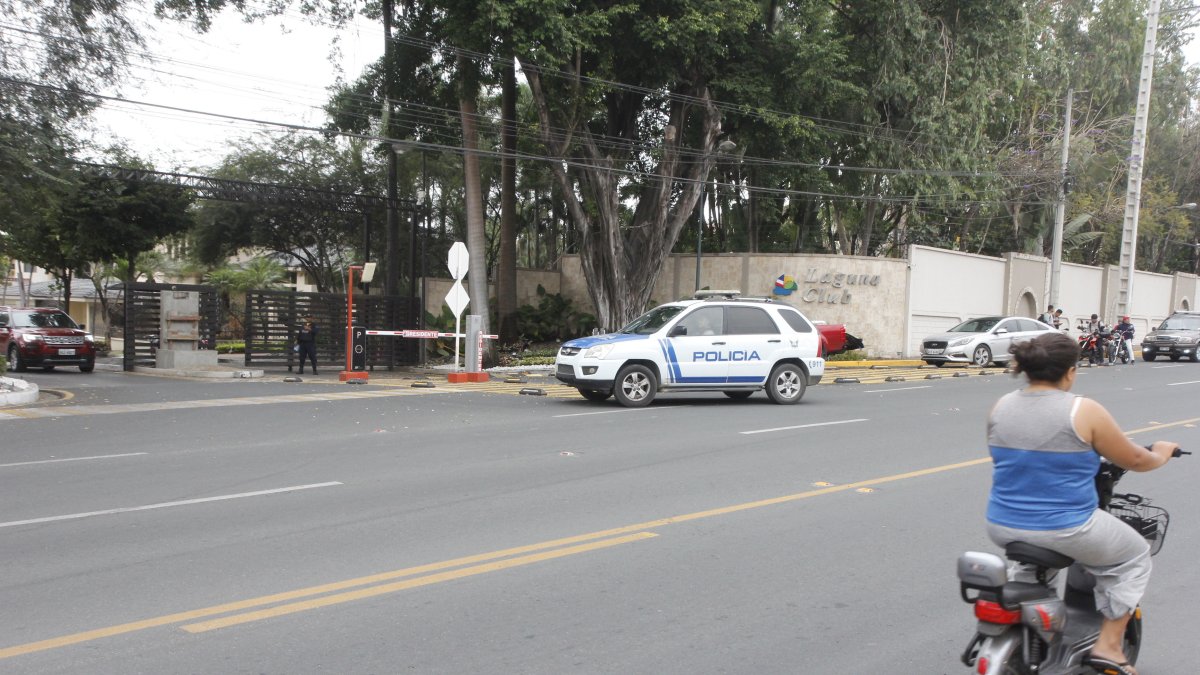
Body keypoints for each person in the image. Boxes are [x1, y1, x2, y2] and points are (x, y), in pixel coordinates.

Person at [986, 332, 1178, 675]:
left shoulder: (1001, 406)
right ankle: (1108, 646)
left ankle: (1035, 611)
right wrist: (1161, 453)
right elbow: (1135, 459)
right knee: (1134, 556)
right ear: (1071, 372)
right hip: (1066, 526)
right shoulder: (1082, 410)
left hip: (1002, 524)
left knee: (1034, 563)